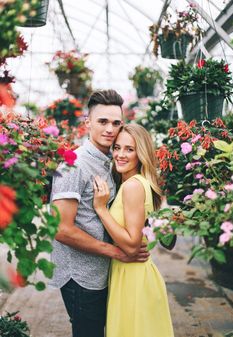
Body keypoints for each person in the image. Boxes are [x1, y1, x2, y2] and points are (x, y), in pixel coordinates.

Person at [50, 90, 149, 337]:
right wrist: (118, 252)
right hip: (81, 276)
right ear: (87, 123)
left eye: (116, 123)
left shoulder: (110, 160)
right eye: (102, 121)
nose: (110, 129)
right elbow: (61, 229)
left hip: (102, 271)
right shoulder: (73, 164)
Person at [93, 123, 174, 337]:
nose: (120, 154)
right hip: (129, 273)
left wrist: (101, 209)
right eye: (117, 147)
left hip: (133, 276)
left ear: (141, 153)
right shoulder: (136, 183)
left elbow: (131, 244)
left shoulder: (132, 187)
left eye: (129, 149)